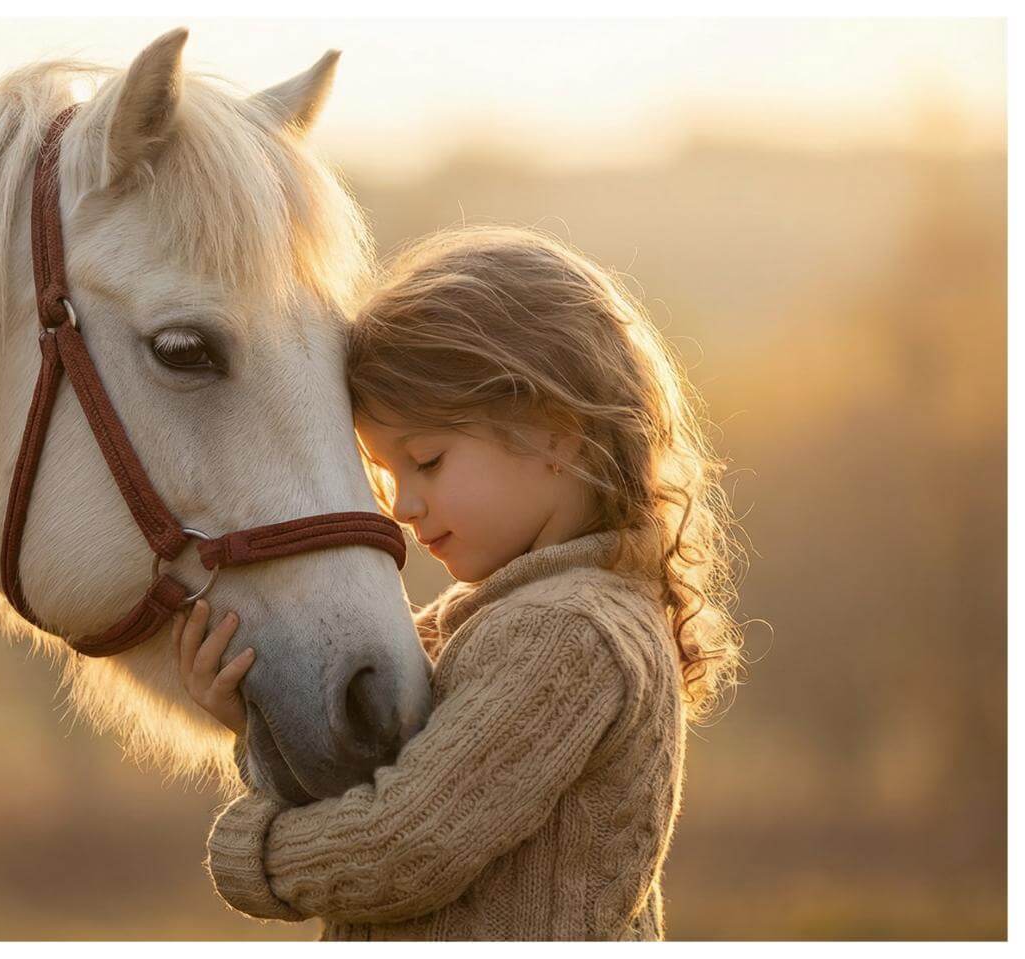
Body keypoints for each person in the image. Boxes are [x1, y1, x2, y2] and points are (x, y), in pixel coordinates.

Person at [173, 225, 745, 940]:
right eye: (387, 475)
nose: (403, 506)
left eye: (428, 461)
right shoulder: (487, 618)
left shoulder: (566, 632)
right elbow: (366, 791)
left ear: (556, 429)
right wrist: (253, 727)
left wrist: (249, 853)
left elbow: (402, 847)